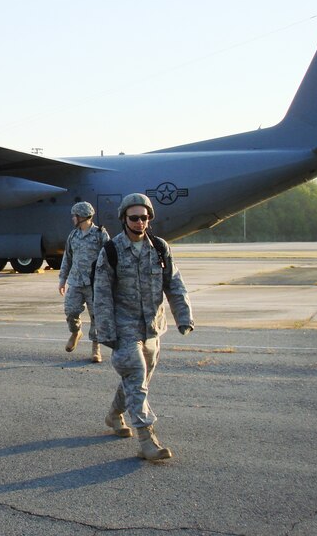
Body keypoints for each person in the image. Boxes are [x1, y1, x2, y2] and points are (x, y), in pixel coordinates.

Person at [93, 193, 193, 461]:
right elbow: (101, 294)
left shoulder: (160, 248)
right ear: (124, 219)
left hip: (153, 326)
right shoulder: (111, 251)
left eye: (145, 217)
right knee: (136, 377)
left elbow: (174, 284)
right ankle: (147, 440)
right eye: (134, 217)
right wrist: (106, 332)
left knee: (139, 380)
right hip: (124, 326)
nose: (140, 222)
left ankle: (114, 415)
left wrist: (184, 317)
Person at [58, 201, 109, 362]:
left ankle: (96, 348)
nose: (73, 219)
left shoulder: (100, 234)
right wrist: (62, 279)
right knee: (71, 311)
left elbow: (110, 258)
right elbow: (68, 258)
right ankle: (75, 332)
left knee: (96, 317)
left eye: (75, 216)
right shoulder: (73, 235)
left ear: (83, 216)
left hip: (95, 283)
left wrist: (109, 281)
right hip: (75, 282)